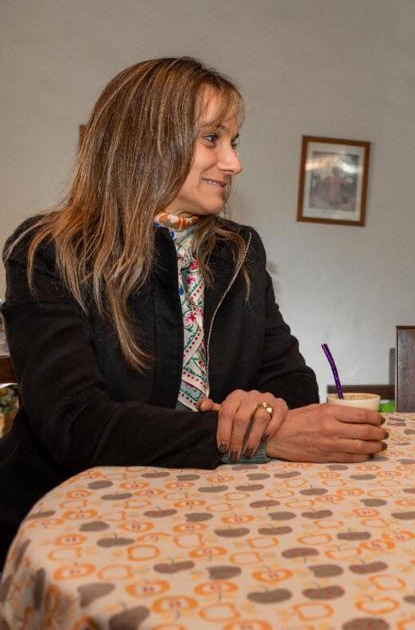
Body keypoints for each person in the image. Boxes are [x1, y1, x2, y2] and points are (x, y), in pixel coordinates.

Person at [0, 57, 387, 567]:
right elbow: (77, 426)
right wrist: (249, 440)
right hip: (70, 526)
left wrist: (261, 408)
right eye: (212, 139)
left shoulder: (239, 251)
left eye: (235, 142)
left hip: (207, 515)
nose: (234, 163)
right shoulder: (49, 251)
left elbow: (292, 381)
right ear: (146, 142)